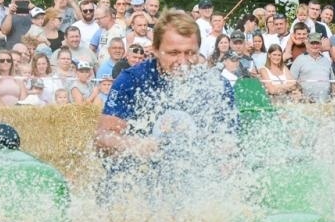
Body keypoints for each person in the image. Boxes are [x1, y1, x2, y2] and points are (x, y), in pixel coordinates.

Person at [93, 10, 239, 196]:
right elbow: (102, 138)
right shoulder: (131, 80)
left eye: (190, 53)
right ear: (155, 50)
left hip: (193, 185)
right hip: (136, 183)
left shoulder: (217, 86)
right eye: (173, 53)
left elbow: (229, 145)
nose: (183, 61)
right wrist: (136, 145)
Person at [290, 34, 335, 102]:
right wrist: (297, 93)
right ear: (307, 44)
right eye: (312, 43)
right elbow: (291, 81)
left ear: (320, 45)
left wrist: (334, 97)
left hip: (325, 102)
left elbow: (332, 82)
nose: (315, 46)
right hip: (306, 103)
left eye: (317, 43)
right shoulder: (299, 60)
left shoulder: (326, 61)